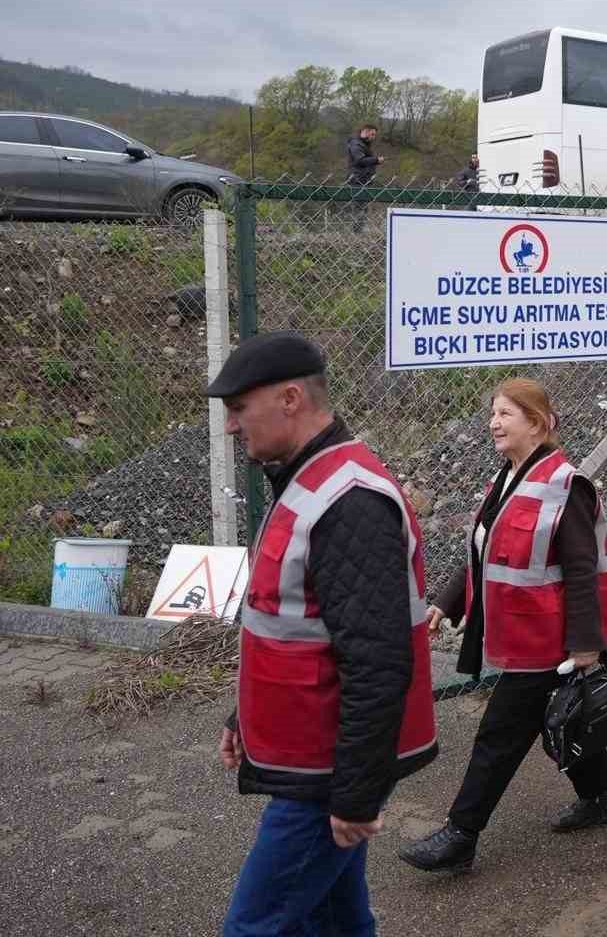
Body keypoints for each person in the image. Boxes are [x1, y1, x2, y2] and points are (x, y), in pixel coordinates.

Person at [209, 332, 437, 935]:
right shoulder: (309, 478)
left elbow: (379, 662)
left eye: (239, 408)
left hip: (325, 774)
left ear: (289, 399)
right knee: (337, 918)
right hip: (317, 758)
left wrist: (357, 794)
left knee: (255, 927)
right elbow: (288, 624)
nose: (232, 426)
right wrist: (245, 716)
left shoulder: (348, 501)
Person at [399, 378, 607, 873]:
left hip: (550, 642)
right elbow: (483, 550)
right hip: (520, 635)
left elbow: (584, 573)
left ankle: (461, 834)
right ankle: (603, 797)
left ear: (538, 424)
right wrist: (447, 603)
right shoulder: (508, 477)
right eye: (493, 414)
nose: (494, 423)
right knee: (557, 721)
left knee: (498, 734)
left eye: (506, 415)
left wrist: (586, 645)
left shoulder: (568, 487)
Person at [346, 123, 384, 233]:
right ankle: (357, 232)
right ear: (365, 131)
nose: (374, 137)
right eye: (372, 134)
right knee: (359, 208)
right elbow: (359, 160)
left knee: (363, 208)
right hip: (358, 181)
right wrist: (376, 160)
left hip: (363, 180)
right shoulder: (356, 144)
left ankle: (359, 231)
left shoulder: (363, 144)